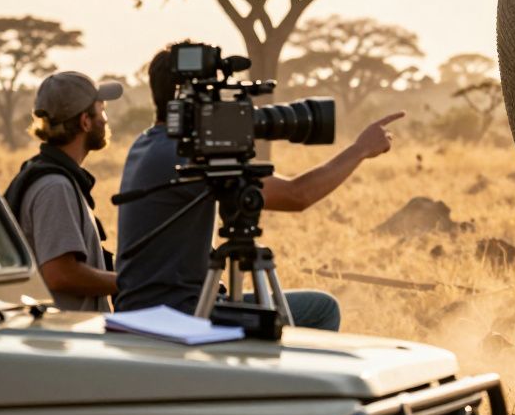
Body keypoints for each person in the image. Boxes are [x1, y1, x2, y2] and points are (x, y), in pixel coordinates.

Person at [115, 46, 402, 331]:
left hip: (146, 305)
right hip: (181, 311)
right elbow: (296, 195)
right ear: (186, 96)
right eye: (212, 94)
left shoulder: (145, 143)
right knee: (321, 309)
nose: (219, 104)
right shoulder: (184, 153)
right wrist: (360, 150)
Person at [3, 71, 123, 312]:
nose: (106, 119)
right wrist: (129, 282)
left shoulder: (52, 176)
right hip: (66, 339)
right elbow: (61, 274)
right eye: (101, 109)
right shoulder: (55, 187)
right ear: (85, 121)